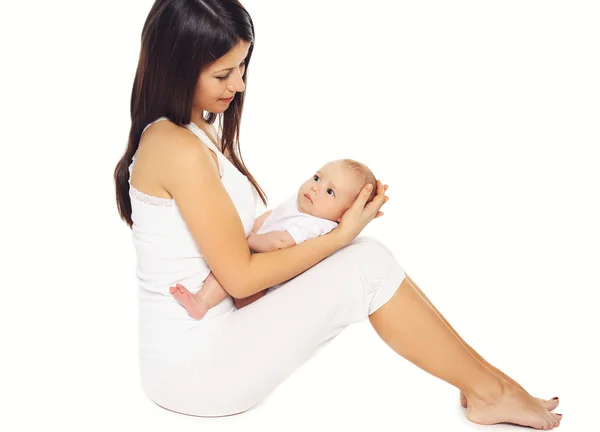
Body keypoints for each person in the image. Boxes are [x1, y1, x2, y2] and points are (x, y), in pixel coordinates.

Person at [113, 0, 562, 428]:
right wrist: (339, 235)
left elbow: (238, 240)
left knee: (368, 259)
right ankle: (488, 389)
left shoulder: (197, 131)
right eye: (224, 73)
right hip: (195, 369)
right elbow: (241, 278)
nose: (240, 85)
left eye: (243, 67)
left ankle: (484, 382)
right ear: (178, 67)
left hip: (207, 343)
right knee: (365, 262)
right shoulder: (177, 147)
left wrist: (315, 225)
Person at [170, 158, 378, 319]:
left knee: (230, 268)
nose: (316, 187)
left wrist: (246, 241)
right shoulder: (304, 205)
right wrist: (248, 231)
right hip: (254, 272)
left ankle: (203, 302)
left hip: (267, 293)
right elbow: (269, 217)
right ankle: (201, 301)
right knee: (227, 267)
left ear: (344, 215)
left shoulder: (316, 225)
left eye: (330, 191)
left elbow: (280, 244)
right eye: (317, 178)